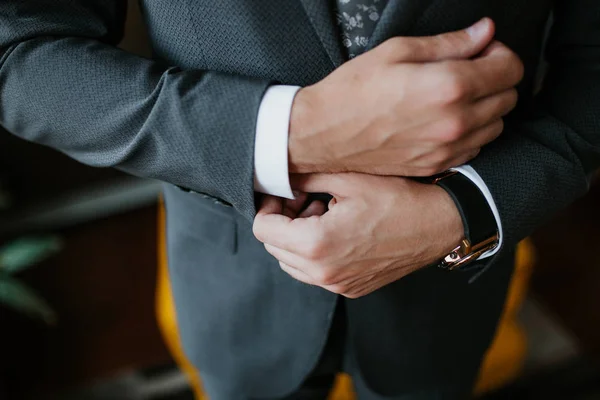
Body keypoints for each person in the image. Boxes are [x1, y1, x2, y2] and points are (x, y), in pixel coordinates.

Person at [0, 1, 598, 399]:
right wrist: (291, 131)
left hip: (450, 285)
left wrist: (467, 208)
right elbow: (19, 49)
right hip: (231, 272)